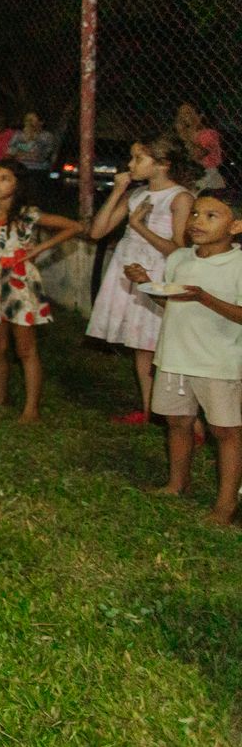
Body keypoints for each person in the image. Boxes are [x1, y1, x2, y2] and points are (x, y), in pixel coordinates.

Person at [126, 186, 242, 524]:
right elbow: (171, 300)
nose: (197, 221)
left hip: (218, 361)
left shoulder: (237, 264)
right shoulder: (179, 258)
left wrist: (206, 299)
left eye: (210, 216)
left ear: (235, 227)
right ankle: (177, 484)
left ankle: (225, 505)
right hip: (175, 355)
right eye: (194, 213)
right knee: (178, 423)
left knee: (226, 431)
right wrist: (146, 284)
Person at [84, 134, 193, 424]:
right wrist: (118, 191)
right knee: (140, 344)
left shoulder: (180, 197)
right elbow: (97, 232)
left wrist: (138, 227)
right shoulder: (136, 195)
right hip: (128, 268)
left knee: (162, 346)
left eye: (138, 159)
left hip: (157, 271)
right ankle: (148, 410)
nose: (130, 164)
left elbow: (180, 250)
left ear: (162, 165)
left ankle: (185, 417)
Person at [0, 158, 82, 424]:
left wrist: (39, 249)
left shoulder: (28, 215)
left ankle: (32, 409)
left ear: (18, 184)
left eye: (4, 178)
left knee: (26, 349)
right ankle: (0, 397)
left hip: (19, 282)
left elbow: (74, 227)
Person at [175, 101, 226, 189]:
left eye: (188, 112)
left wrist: (186, 136)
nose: (183, 116)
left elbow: (197, 154)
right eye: (180, 113)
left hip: (207, 174)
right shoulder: (179, 135)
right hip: (187, 174)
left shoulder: (208, 134)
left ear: (199, 115)